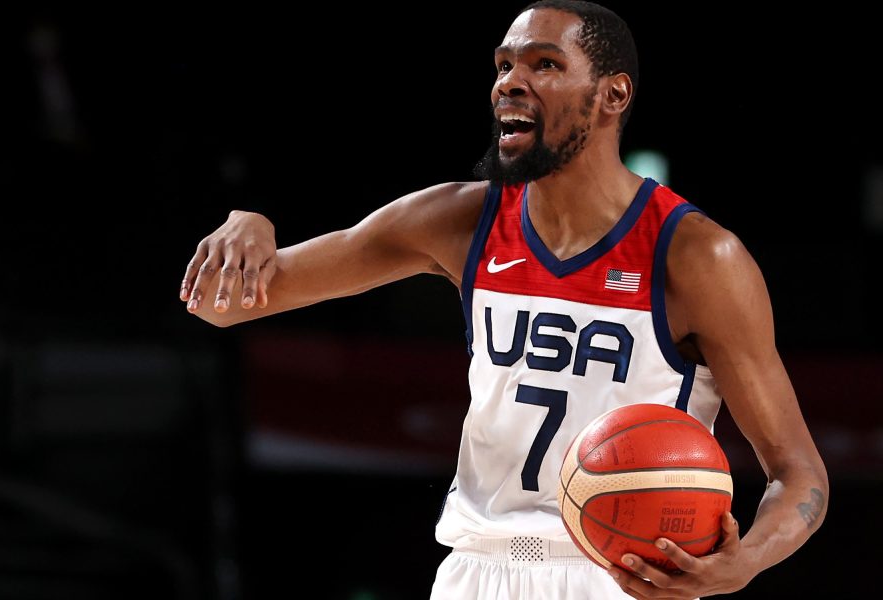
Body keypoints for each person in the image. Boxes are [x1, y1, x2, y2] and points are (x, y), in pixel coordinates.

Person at [178, 1, 828, 598]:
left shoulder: (695, 258)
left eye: (544, 64)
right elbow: (223, 305)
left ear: (612, 95)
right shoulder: (459, 220)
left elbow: (800, 477)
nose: (509, 82)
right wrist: (249, 224)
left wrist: (743, 563)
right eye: (504, 64)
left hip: (622, 577)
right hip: (475, 570)